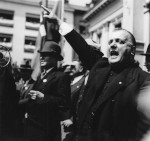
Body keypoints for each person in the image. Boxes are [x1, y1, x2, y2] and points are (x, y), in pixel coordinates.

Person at [43, 12, 150, 141]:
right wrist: (59, 22)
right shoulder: (100, 66)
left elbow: (144, 127)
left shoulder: (142, 79)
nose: (113, 45)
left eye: (119, 41)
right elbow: (81, 46)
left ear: (132, 50)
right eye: (110, 41)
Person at [24, 41, 71, 141]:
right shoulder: (41, 76)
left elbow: (64, 102)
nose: (41, 58)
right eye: (41, 55)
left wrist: (44, 97)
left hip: (47, 129)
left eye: (46, 55)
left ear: (55, 58)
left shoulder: (61, 76)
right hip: (33, 125)